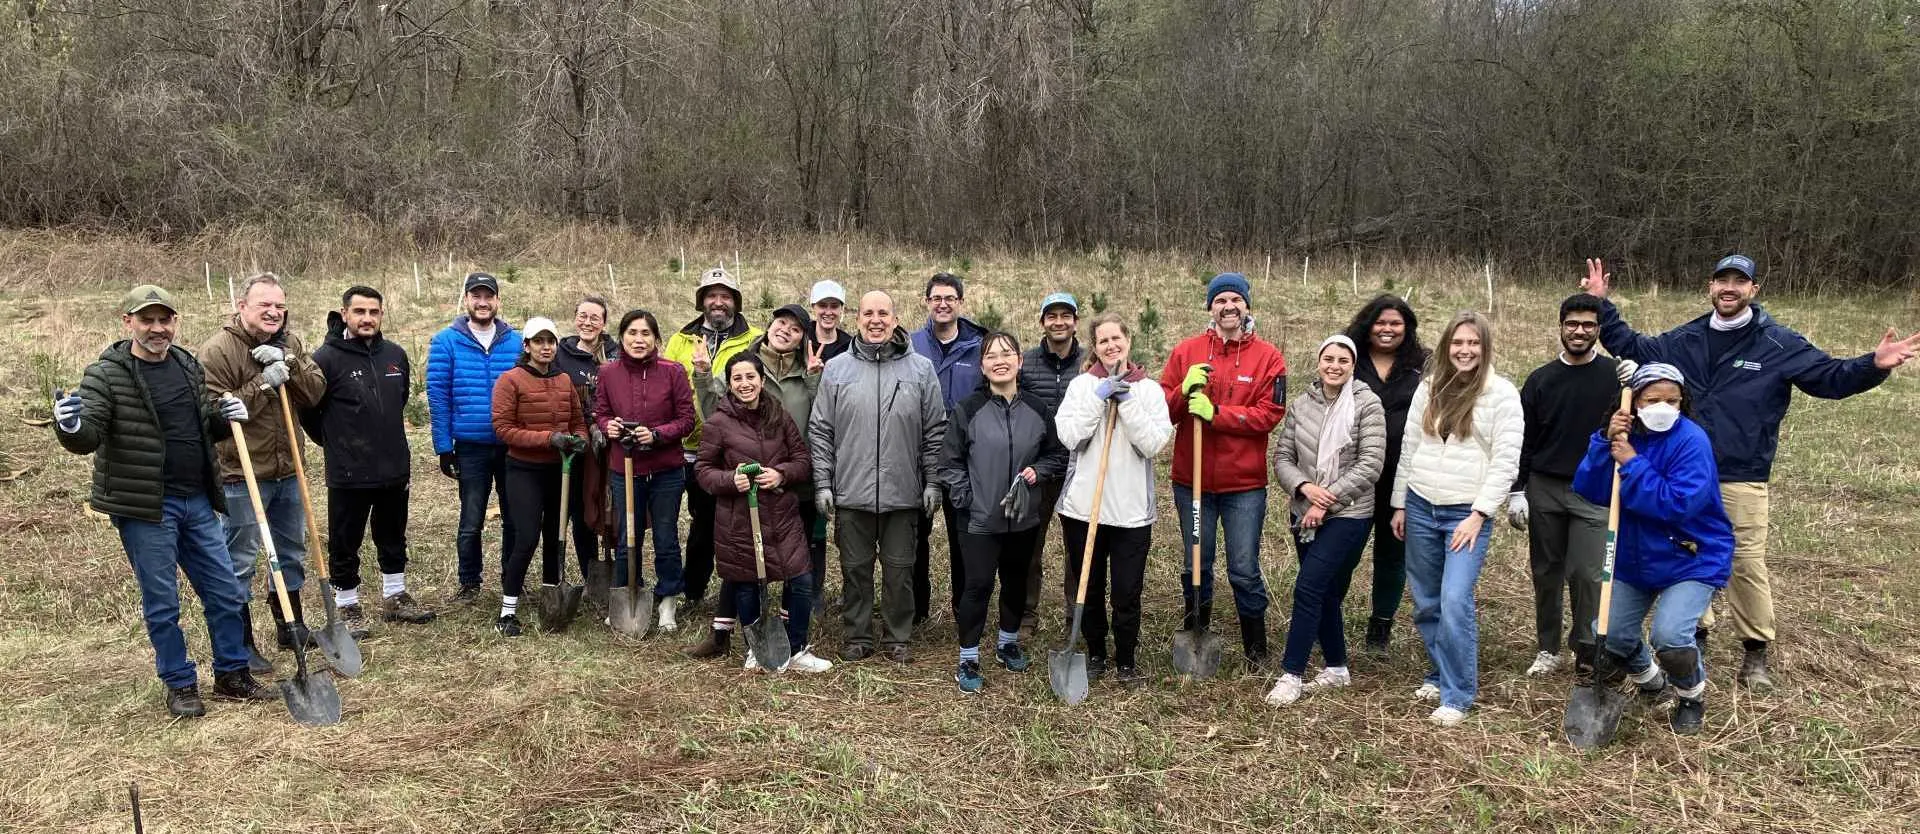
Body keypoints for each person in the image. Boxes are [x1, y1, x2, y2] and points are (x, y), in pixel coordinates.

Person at [1582, 254, 1919, 690]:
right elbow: (1635, 346)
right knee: (1685, 554)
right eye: (1722, 280)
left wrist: (1872, 365)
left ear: (1753, 291)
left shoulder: (1777, 343)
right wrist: (1602, 305)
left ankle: (1755, 651)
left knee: (1743, 562)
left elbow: (1829, 377)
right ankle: (1692, 639)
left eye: (1739, 282)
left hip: (1741, 473)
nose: (1729, 288)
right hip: (1679, 471)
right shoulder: (1685, 339)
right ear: (1710, 286)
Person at [53, 284, 273, 716]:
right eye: (147, 320)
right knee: (163, 602)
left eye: (164, 319)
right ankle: (180, 683)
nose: (157, 328)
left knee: (226, 592)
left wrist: (224, 420)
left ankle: (231, 674)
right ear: (128, 323)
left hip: (197, 501)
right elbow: (90, 434)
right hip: (147, 507)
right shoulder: (107, 373)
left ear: (175, 321)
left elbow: (200, 426)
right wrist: (72, 425)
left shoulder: (187, 364)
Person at [1572, 363, 1734, 735]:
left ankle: (1691, 696)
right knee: (1611, 635)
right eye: (1653, 399)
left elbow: (1676, 505)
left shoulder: (1691, 442)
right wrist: (1604, 443)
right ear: (1634, 403)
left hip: (1691, 555)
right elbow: (1592, 491)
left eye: (1672, 400)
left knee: (1671, 637)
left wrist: (1632, 463)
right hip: (1634, 555)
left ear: (1683, 402)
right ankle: (1650, 682)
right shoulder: (1623, 436)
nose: (1663, 406)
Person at [1390, 311, 1523, 727]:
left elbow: (1506, 461)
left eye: (1473, 344)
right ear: (1447, 346)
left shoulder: (1501, 395)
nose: (1465, 351)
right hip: (1421, 503)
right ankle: (1437, 670)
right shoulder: (1430, 387)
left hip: (1464, 513)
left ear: (1485, 348)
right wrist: (1399, 503)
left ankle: (1457, 693)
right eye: (1458, 343)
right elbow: (1410, 448)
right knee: (1426, 601)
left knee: (1453, 600)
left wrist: (1480, 514)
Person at [197, 272, 327, 670]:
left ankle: (291, 624)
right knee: (238, 559)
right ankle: (241, 640)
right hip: (241, 472)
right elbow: (214, 412)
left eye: (280, 306)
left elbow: (315, 390)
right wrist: (262, 383)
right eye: (264, 305)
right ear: (242, 307)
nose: (273, 313)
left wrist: (288, 363)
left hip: (288, 469)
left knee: (289, 551)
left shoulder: (289, 343)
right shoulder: (218, 351)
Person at [808, 290, 946, 664]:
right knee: (855, 569)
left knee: (900, 570)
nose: (876, 320)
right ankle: (857, 633)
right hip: (852, 492)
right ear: (857, 320)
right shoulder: (838, 370)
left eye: (883, 313)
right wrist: (823, 483)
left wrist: (932, 481)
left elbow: (935, 430)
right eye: (868, 313)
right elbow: (821, 430)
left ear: (896, 319)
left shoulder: (920, 369)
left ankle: (897, 635)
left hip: (904, 494)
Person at [1159, 272, 1288, 670]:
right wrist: (1182, 391)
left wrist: (1217, 414)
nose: (1228, 306)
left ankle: (1256, 649)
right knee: (1196, 560)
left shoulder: (1269, 357)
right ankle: (1196, 628)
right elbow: (1162, 408)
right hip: (1192, 483)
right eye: (1220, 300)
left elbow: (1270, 414)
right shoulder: (1188, 352)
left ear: (1247, 306)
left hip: (1243, 486)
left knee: (1244, 568)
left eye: (1236, 299)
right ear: (1210, 307)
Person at [1508, 293, 1632, 679]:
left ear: (1598, 331)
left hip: (1595, 489)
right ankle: (1548, 648)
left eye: (1588, 326)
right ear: (1561, 327)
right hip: (1546, 486)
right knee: (1546, 571)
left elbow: (1647, 414)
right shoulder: (1541, 380)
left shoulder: (1616, 377)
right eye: (1572, 324)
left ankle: (1586, 647)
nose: (1579, 331)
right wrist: (1517, 489)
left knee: (1588, 574)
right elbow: (1523, 440)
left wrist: (1639, 378)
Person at [302, 285, 436, 638]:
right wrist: (336, 442)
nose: (367, 319)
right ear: (344, 314)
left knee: (392, 532)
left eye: (373, 312)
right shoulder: (326, 359)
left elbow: (401, 398)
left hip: (393, 464)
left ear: (381, 315)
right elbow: (309, 411)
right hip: (349, 469)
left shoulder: (395, 355)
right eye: (359, 312)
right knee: (346, 538)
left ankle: (395, 595)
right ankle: (347, 602)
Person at [939, 332, 1068, 692]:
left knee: (1015, 582)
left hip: (1023, 517)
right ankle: (967, 658)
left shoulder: (1038, 409)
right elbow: (948, 463)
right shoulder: (969, 409)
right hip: (979, 520)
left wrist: (1038, 472)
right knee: (977, 586)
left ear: (1019, 361)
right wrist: (968, 499)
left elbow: (1056, 455)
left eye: (1007, 353)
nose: (1000, 360)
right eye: (991, 355)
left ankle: (1007, 643)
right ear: (982, 366)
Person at [1264, 335, 1386, 707]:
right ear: (1319, 362)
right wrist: (1304, 488)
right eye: (1328, 359)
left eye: (1343, 361)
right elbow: (1283, 456)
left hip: (1349, 513)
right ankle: (1336, 667)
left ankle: (1292, 674)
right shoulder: (1303, 404)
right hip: (1304, 510)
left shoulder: (1367, 403)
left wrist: (1325, 500)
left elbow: (1371, 464)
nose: (1334, 366)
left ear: (1353, 365)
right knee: (1328, 591)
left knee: (1308, 588)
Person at [694, 353, 832, 673]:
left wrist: (781, 474)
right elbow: (703, 470)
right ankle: (757, 650)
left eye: (750, 377)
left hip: (782, 516)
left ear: (761, 380)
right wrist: (732, 479)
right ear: (729, 384)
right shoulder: (718, 422)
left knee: (800, 580)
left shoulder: (779, 417)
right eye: (737, 378)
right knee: (748, 585)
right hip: (740, 519)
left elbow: (802, 459)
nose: (745, 384)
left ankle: (796, 649)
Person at [1056, 313, 1174, 687]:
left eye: (1116, 339)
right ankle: (1095, 654)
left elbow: (1153, 443)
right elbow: (1070, 436)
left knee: (1126, 592)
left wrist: (1126, 402)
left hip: (1131, 513)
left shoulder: (1150, 391)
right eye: (1103, 340)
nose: (1111, 346)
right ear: (1096, 346)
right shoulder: (1080, 387)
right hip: (1083, 509)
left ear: (1128, 342)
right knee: (1088, 587)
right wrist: (1098, 397)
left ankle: (1125, 660)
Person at [664, 267, 761, 634]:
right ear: (702, 300)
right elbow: (668, 386)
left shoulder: (753, 339)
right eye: (711, 295)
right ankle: (694, 589)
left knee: (734, 524)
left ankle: (737, 587)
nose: (718, 302)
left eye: (726, 295)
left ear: (735, 301)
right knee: (702, 522)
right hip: (690, 448)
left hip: (733, 451)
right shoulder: (680, 340)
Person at [593, 310, 697, 642]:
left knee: (665, 536)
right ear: (621, 337)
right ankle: (627, 593)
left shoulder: (672, 372)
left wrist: (657, 435)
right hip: (625, 468)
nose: (639, 340)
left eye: (646, 334)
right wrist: (607, 426)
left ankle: (668, 598)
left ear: (656, 339)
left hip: (666, 468)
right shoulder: (608, 373)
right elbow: (601, 411)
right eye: (632, 333)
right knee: (628, 537)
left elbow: (686, 419)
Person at [427, 272, 524, 604]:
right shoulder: (446, 342)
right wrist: (444, 447)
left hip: (512, 446)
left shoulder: (516, 341)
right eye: (476, 296)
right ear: (466, 300)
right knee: (471, 519)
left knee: (514, 516)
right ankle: (469, 582)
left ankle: (513, 578)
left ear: (498, 301)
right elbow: (438, 396)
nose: (483, 303)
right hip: (470, 447)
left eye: (489, 296)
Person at [489, 318, 589, 636]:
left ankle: (552, 598)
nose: (546, 347)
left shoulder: (563, 381)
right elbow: (503, 428)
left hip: (560, 470)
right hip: (524, 470)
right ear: (527, 346)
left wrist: (580, 438)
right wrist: (548, 439)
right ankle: (507, 611)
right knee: (527, 536)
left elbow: (577, 420)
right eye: (538, 341)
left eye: (551, 341)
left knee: (554, 535)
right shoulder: (511, 380)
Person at [1344, 295, 1428, 654]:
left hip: (1401, 476)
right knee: (1344, 550)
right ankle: (1327, 615)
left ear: (1407, 328)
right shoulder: (1351, 360)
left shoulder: (1422, 366)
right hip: (1354, 474)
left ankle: (1381, 625)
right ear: (1368, 324)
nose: (1388, 329)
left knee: (1392, 555)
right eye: (1381, 322)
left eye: (1396, 323)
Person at [909, 271, 987, 624]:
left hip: (964, 458)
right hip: (918, 455)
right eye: (936, 298)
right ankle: (917, 608)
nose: (942, 304)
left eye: (949, 298)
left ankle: (963, 607)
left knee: (963, 537)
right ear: (927, 302)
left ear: (960, 303)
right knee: (915, 536)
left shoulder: (979, 346)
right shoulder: (910, 345)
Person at [1015, 291, 1084, 638]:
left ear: (1075, 321)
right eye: (1052, 316)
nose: (1059, 322)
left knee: (1077, 548)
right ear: (1042, 322)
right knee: (1031, 546)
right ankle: (1027, 614)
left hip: (1079, 467)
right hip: (1038, 468)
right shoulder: (1025, 363)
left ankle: (1076, 616)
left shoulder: (1089, 364)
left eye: (1065, 316)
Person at [555, 295, 618, 585]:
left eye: (595, 317)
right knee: (582, 511)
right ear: (574, 317)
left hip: (610, 445)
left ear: (604, 323)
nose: (588, 322)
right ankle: (589, 573)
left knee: (609, 508)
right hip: (576, 446)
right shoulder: (560, 354)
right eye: (583, 315)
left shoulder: (616, 353)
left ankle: (617, 571)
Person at [807, 280, 854, 365]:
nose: (828, 312)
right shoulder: (801, 338)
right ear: (813, 307)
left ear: (841, 309)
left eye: (834, 306)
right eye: (822, 306)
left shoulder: (849, 346)